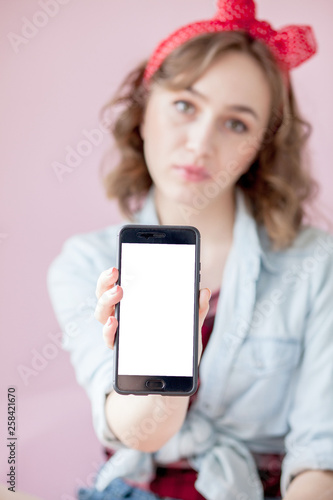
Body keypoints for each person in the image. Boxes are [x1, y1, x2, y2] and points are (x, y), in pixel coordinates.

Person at [47, 1, 333, 499]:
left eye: (237, 123)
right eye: (185, 105)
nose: (200, 143)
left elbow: (319, 458)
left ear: (260, 148)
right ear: (143, 110)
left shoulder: (316, 263)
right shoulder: (86, 264)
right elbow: (136, 432)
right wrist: (161, 357)